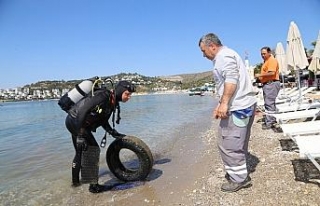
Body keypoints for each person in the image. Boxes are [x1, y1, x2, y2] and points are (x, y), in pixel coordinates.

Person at [198, 33, 257, 192]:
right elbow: (226, 83)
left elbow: (231, 79)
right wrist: (220, 104)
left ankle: (239, 179)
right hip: (242, 106)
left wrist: (224, 103)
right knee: (237, 142)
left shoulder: (224, 56)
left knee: (229, 144)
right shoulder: (227, 55)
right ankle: (239, 172)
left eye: (204, 51)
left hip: (238, 108)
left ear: (212, 46)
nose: (203, 55)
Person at [65, 80, 135, 193]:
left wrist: (112, 132)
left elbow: (102, 119)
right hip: (77, 122)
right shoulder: (104, 96)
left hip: (74, 121)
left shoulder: (112, 101)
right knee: (93, 150)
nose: (129, 97)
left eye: (130, 95)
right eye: (127, 94)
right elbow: (83, 110)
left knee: (80, 152)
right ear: (120, 91)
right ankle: (93, 187)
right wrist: (81, 135)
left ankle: (75, 184)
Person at [255, 46, 280, 130]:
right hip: (268, 84)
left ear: (269, 53)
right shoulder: (267, 61)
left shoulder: (272, 60)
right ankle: (272, 120)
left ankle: (270, 123)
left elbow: (272, 73)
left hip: (271, 83)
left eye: (264, 53)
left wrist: (260, 75)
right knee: (270, 103)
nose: (262, 55)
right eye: (261, 54)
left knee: (269, 103)